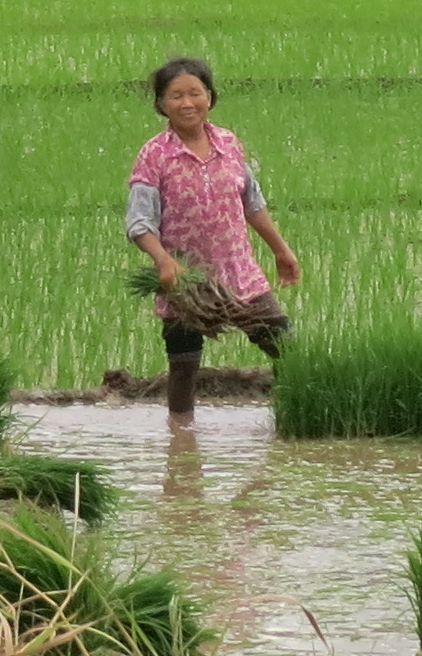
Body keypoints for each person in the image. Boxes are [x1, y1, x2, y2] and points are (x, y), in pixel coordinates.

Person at [125, 57, 299, 422]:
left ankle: (298, 419)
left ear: (210, 97)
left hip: (239, 274)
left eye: (195, 93)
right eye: (176, 96)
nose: (187, 103)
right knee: (183, 367)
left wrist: (281, 251)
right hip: (187, 280)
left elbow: (252, 203)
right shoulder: (154, 154)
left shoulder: (228, 144)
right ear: (161, 104)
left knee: (290, 351)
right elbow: (139, 223)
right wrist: (164, 261)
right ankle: (181, 440)